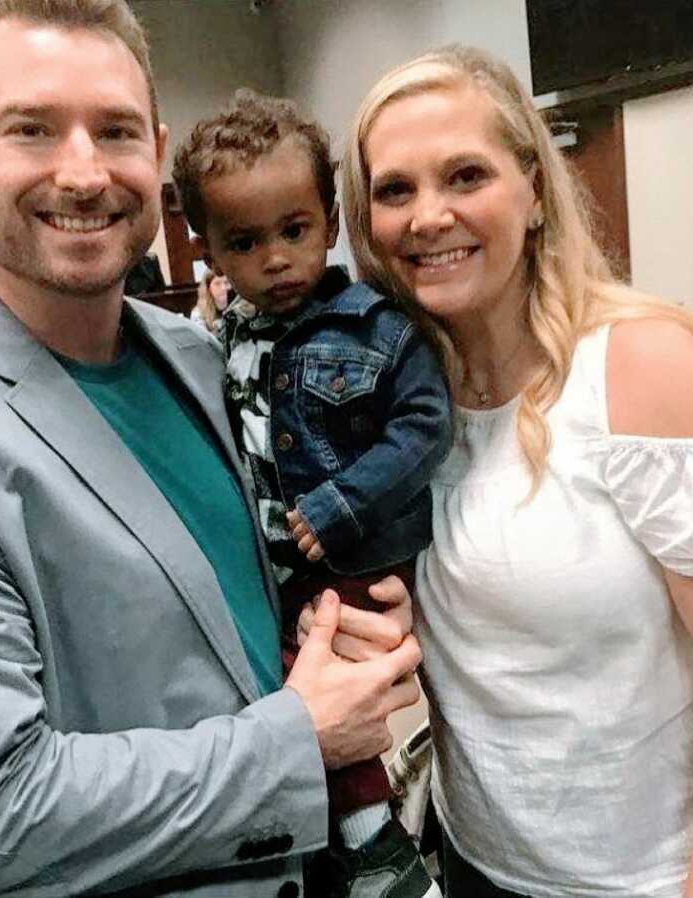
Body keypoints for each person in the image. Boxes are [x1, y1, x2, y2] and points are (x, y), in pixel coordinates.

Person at [0, 2, 426, 896]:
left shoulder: (198, 358)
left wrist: (324, 624)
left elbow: (219, 615)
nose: (82, 173)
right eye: (32, 129)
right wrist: (297, 740)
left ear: (154, 157)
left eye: (114, 131)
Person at [337, 44, 693, 898]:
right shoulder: (403, 405)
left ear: (531, 190)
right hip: (477, 863)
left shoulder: (648, 370)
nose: (429, 216)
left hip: (652, 880)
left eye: (465, 176)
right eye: (395, 190)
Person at [173, 91, 452, 898]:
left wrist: (343, 504)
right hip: (275, 560)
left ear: (328, 221)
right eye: (245, 242)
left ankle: (378, 848)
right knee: (268, 685)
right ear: (210, 250)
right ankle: (344, 828)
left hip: (354, 549)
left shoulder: (375, 327)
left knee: (313, 692)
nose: (276, 259)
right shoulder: (218, 340)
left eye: (295, 231)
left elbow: (424, 426)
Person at [189, 268, 234, 335]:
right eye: (217, 284)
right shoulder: (198, 313)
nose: (223, 288)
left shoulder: (238, 305)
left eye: (226, 283)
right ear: (208, 288)